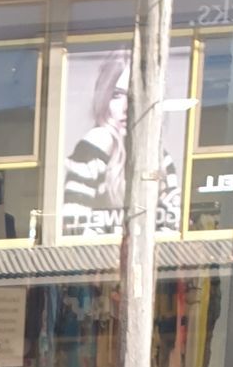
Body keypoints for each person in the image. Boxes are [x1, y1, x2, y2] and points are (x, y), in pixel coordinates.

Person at [62, 54, 180, 238]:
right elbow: (74, 230)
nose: (126, 107)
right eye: (117, 95)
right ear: (104, 98)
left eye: (135, 96)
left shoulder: (160, 157)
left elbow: (173, 224)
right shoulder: (93, 149)